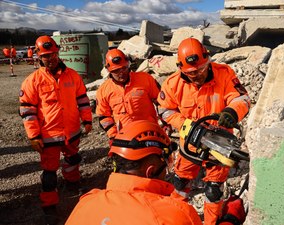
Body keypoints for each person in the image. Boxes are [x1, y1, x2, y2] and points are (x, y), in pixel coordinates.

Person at [65, 120, 246, 225]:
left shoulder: (86, 202)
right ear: (151, 170)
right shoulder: (176, 215)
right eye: (166, 162)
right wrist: (230, 220)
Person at [157, 37, 251, 225]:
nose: (198, 74)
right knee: (181, 184)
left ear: (207, 60)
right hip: (189, 144)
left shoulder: (224, 74)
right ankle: (174, 219)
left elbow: (242, 99)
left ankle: (211, 222)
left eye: (201, 69)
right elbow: (164, 110)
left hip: (220, 145)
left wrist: (232, 111)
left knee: (213, 189)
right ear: (181, 68)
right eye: (192, 72)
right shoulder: (172, 84)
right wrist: (186, 126)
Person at [18, 35, 92, 225]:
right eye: (45, 56)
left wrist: (87, 120)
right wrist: (33, 135)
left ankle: (73, 184)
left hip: (72, 131)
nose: (49, 58)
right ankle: (49, 205)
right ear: (38, 57)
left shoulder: (73, 75)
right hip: (49, 135)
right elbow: (28, 111)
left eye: (52, 54)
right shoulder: (32, 80)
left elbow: (82, 100)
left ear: (58, 53)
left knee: (73, 160)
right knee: (49, 173)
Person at [96, 48, 160, 146]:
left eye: (124, 68)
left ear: (128, 65)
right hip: (124, 137)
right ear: (109, 70)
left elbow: (162, 102)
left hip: (150, 132)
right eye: (116, 70)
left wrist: (165, 124)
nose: (121, 72)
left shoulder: (145, 79)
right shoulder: (104, 90)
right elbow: (104, 116)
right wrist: (113, 135)